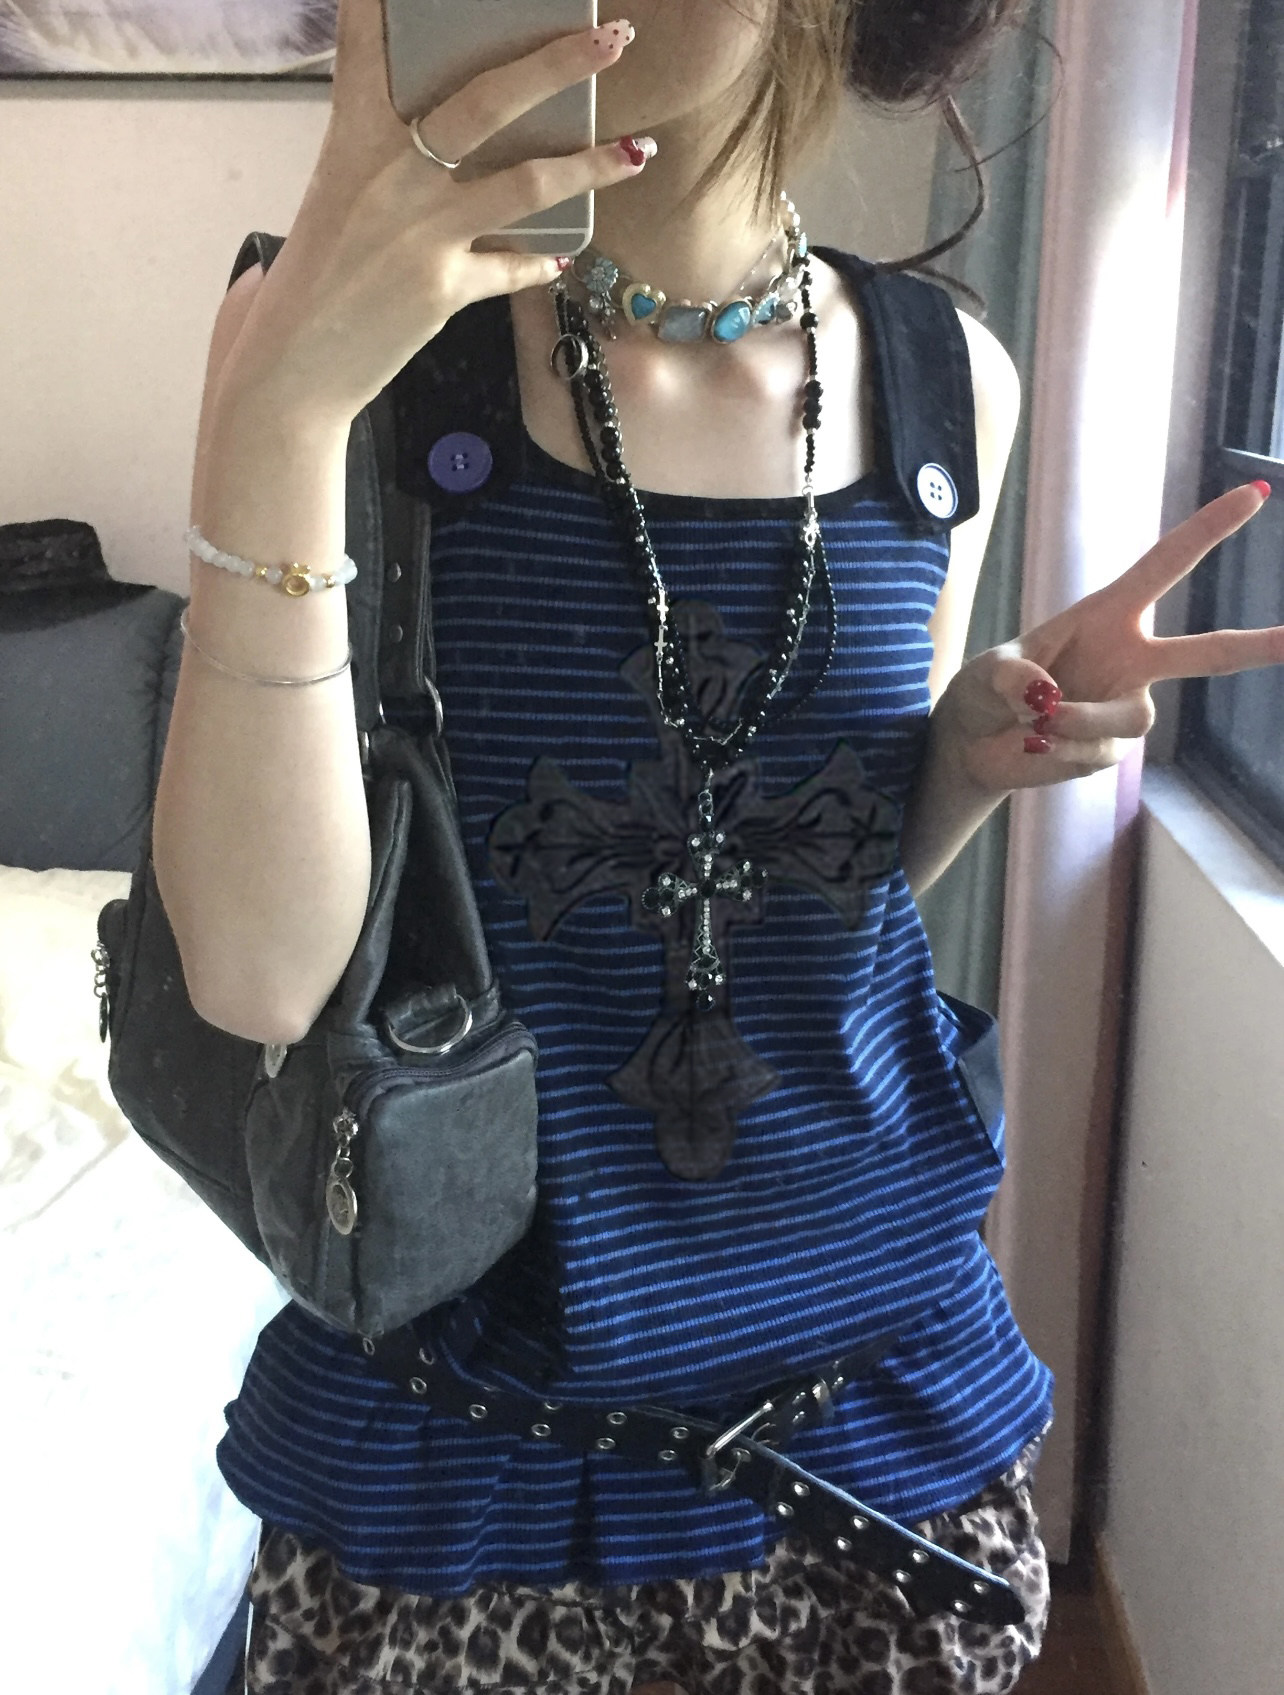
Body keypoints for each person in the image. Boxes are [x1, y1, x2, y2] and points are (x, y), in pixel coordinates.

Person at [152, 2, 1280, 1691]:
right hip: (473, 1444)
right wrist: (285, 403)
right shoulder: (332, 350)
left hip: (874, 1419)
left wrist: (964, 764)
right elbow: (260, 979)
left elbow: (804, 912)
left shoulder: (942, 380)